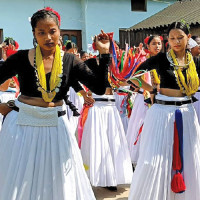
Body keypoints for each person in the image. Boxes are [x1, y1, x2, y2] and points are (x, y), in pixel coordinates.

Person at [0, 8, 111, 200]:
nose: (48, 37)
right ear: (34, 34)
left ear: (59, 31)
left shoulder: (70, 61)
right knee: (19, 184)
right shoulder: (20, 58)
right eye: (41, 32)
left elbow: (100, 88)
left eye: (52, 31)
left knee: (57, 183)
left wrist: (104, 54)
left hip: (56, 126)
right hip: (21, 126)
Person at [128, 21, 200, 200]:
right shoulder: (161, 59)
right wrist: (151, 89)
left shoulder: (195, 62)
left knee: (189, 157)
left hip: (187, 111)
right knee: (156, 157)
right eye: (172, 38)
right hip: (162, 112)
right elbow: (134, 77)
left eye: (180, 38)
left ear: (188, 38)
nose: (176, 42)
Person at [126, 35, 162, 166]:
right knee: (141, 128)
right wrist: (151, 89)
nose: (157, 46)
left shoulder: (165, 60)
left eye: (159, 43)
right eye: (154, 43)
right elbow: (133, 78)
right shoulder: (144, 61)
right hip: (144, 100)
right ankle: (140, 159)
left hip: (161, 100)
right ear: (148, 46)